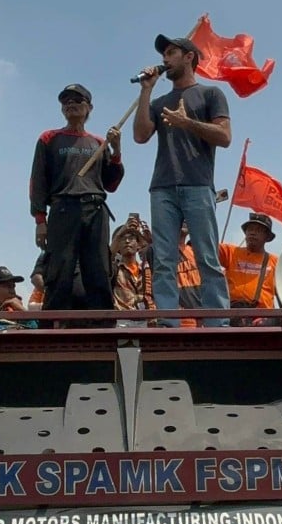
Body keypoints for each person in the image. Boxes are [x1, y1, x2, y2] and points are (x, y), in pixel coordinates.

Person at [134, 34, 231, 327]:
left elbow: (225, 136)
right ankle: (167, 320)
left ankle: (217, 321)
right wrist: (146, 92)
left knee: (207, 256)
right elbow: (140, 136)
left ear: (189, 57)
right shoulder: (161, 100)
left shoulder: (211, 94)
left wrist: (186, 122)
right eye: (163, 54)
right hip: (162, 186)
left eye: (171, 52)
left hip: (198, 185)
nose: (165, 58)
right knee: (163, 259)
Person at [30, 83, 124, 313]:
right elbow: (38, 181)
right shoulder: (49, 138)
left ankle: (102, 326)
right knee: (59, 269)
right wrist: (40, 220)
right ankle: (53, 326)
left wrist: (116, 150)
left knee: (98, 268)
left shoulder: (99, 143)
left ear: (89, 107)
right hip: (63, 208)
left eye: (77, 100)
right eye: (66, 101)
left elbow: (111, 184)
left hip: (95, 209)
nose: (70, 104)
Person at [219, 214, 279, 326]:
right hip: (232, 313)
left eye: (258, 230)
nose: (252, 233)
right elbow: (207, 246)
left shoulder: (276, 262)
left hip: (263, 317)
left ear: (267, 237)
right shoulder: (231, 253)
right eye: (249, 229)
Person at [110, 221, 155, 322]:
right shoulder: (114, 270)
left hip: (145, 323)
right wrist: (118, 235)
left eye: (131, 238)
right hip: (121, 323)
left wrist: (150, 243)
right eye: (122, 238)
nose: (127, 241)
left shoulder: (146, 270)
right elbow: (106, 258)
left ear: (138, 244)